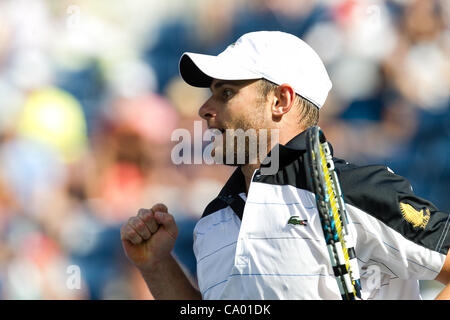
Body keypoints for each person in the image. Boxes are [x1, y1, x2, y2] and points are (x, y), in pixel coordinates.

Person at [120, 31, 450, 300]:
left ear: (281, 101)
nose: (204, 109)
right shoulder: (211, 220)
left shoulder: (357, 190)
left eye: (226, 93)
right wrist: (158, 265)